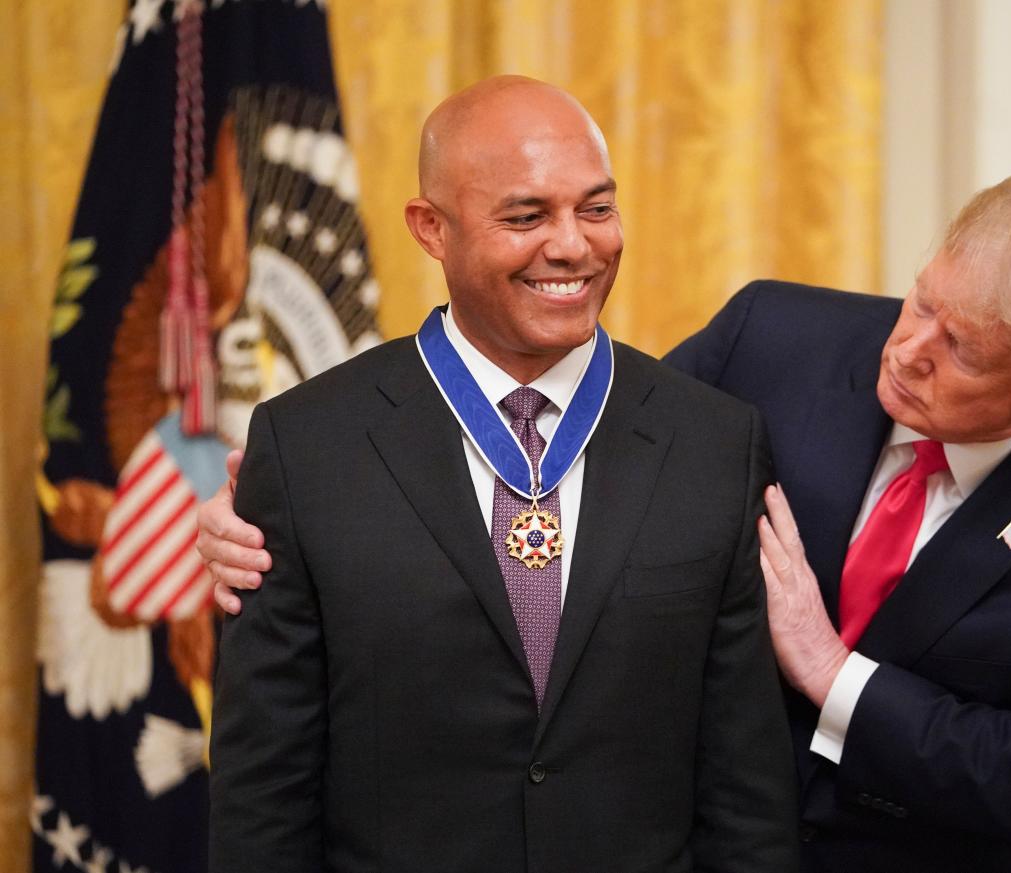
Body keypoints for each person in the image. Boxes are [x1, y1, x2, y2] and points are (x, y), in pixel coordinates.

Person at [202, 168, 1011, 868]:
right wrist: (308, 505)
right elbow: (578, 469)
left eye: (964, 352)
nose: (909, 350)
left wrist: (834, 677)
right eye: (922, 303)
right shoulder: (776, 336)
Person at [206, 75, 797, 873]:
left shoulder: (714, 443)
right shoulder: (309, 446)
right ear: (431, 228)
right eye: (526, 216)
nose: (573, 246)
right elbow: (262, 798)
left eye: (595, 208)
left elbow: (746, 793)